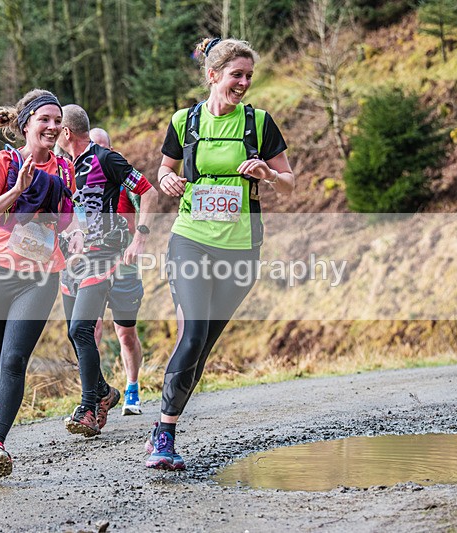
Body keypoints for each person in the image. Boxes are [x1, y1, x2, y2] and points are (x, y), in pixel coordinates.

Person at [147, 38, 294, 470]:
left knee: (203, 346)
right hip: (190, 239)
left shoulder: (260, 124)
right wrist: (167, 181)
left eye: (249, 76)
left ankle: (167, 428)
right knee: (192, 334)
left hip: (241, 248)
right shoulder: (184, 121)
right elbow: (165, 170)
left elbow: (289, 182)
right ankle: (164, 435)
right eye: (237, 75)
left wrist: (267, 173)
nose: (244, 83)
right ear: (213, 76)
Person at [0, 89, 78, 478]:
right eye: (44, 119)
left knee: (14, 360)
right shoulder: (5, 161)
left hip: (41, 276)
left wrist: (75, 229)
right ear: (26, 123)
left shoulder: (65, 169)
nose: (52, 127)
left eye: (57, 120)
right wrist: (17, 190)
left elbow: (67, 217)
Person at [56, 105, 157, 437]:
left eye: (56, 126)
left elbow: (148, 191)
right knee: (76, 332)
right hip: (71, 261)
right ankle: (105, 393)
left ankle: (89, 406)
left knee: (84, 330)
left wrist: (139, 239)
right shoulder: (60, 168)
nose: (52, 131)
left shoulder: (105, 159)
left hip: (104, 256)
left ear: (66, 132)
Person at [89, 127, 145, 416]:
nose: (97, 153)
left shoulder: (125, 179)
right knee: (91, 331)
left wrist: (138, 240)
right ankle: (96, 394)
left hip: (124, 268)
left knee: (125, 333)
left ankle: (132, 386)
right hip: (92, 266)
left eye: (103, 147)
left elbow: (147, 203)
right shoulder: (81, 182)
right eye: (92, 146)